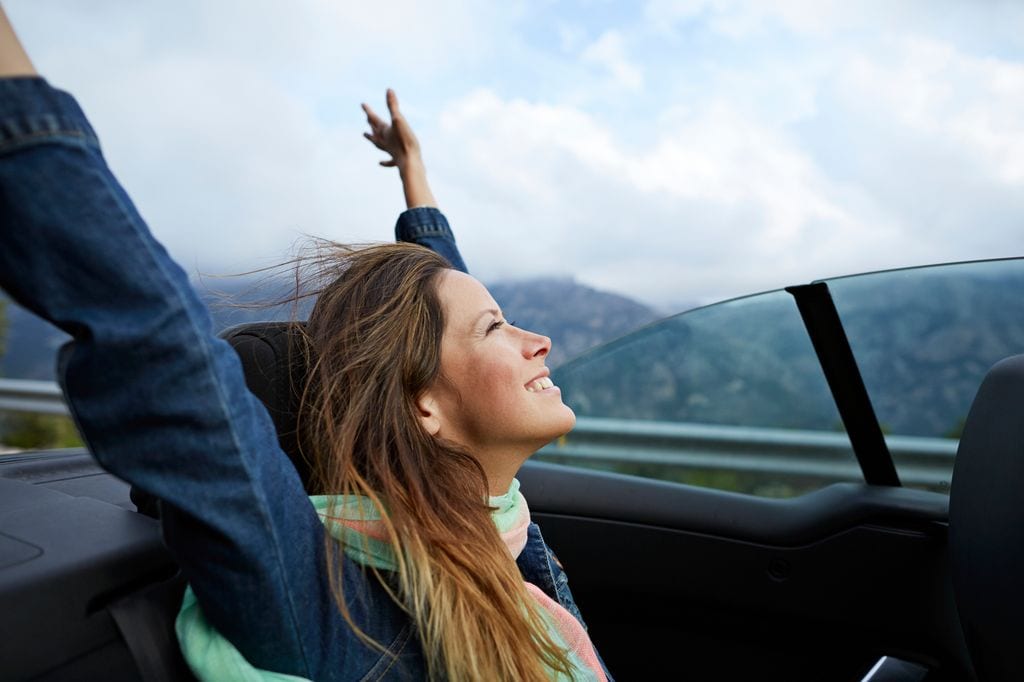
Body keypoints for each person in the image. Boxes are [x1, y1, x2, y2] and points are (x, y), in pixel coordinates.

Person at [0, 7, 611, 681]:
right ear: (425, 409)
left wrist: (414, 173)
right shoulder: (341, 618)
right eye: (498, 326)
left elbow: (447, 311)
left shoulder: (495, 527)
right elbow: (163, 349)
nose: (541, 340)